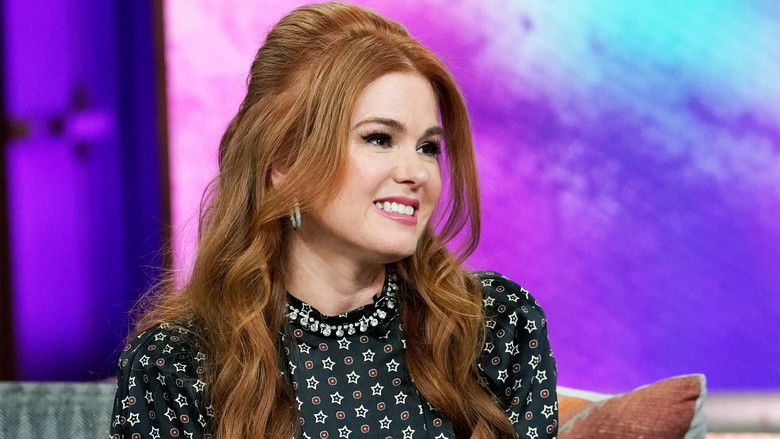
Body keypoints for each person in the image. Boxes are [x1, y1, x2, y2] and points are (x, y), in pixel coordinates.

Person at [108, 2, 558, 438]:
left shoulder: (494, 326)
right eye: (379, 139)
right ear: (283, 161)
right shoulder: (178, 361)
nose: (417, 173)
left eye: (427, 148)